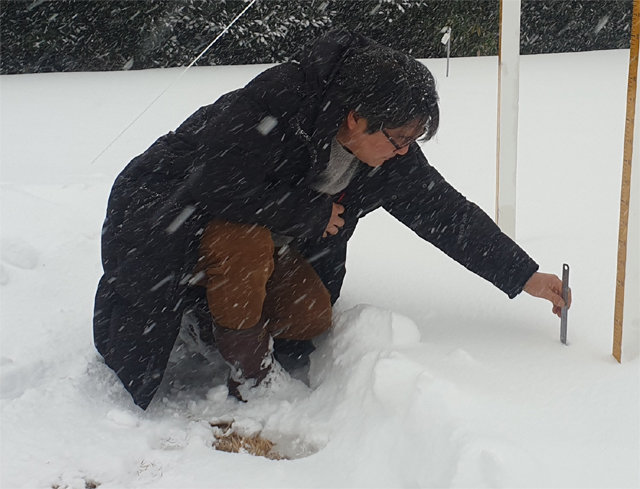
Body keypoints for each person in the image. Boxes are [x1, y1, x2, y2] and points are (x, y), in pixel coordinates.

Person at [93, 29, 570, 409]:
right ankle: (252, 378)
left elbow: (444, 212)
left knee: (310, 316)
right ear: (354, 117)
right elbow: (216, 185)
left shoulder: (384, 149)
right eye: (398, 137)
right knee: (243, 241)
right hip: (165, 224)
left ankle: (210, 313)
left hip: (259, 239)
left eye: (414, 140)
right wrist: (309, 212)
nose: (404, 151)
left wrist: (524, 274)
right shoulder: (277, 103)